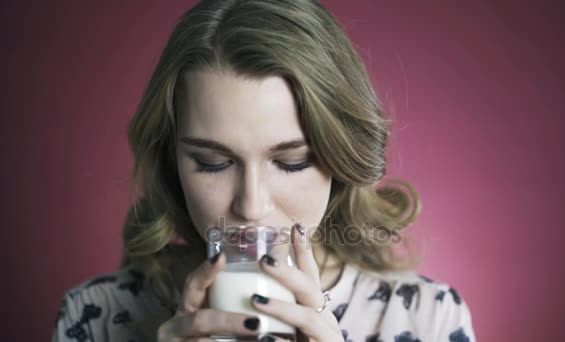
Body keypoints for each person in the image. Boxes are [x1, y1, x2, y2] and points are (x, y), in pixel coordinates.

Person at [52, 0, 476, 341]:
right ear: (171, 161)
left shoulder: (427, 319)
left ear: (340, 156)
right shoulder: (97, 318)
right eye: (212, 163)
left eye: (292, 163)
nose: (251, 207)